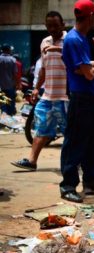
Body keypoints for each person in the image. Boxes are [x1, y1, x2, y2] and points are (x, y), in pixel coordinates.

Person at [59, 0, 94, 203]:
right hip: (81, 98)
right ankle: (68, 185)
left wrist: (92, 66)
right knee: (75, 142)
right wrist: (93, 67)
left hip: (93, 99)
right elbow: (89, 74)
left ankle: (90, 179)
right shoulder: (74, 40)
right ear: (89, 17)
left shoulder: (84, 38)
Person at [11, 11, 68, 171]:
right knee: (41, 127)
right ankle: (32, 161)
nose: (52, 29)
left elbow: (76, 62)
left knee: (69, 132)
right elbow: (43, 68)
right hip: (47, 94)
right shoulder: (44, 42)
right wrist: (36, 88)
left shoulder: (70, 40)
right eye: (49, 26)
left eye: (56, 25)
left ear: (63, 25)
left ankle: (72, 165)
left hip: (65, 96)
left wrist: (58, 49)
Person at [0, 44, 19, 116]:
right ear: (8, 50)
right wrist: (18, 83)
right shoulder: (12, 60)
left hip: (1, 85)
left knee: (2, 101)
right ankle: (10, 115)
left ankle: (4, 115)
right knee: (11, 100)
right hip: (10, 85)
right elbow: (15, 74)